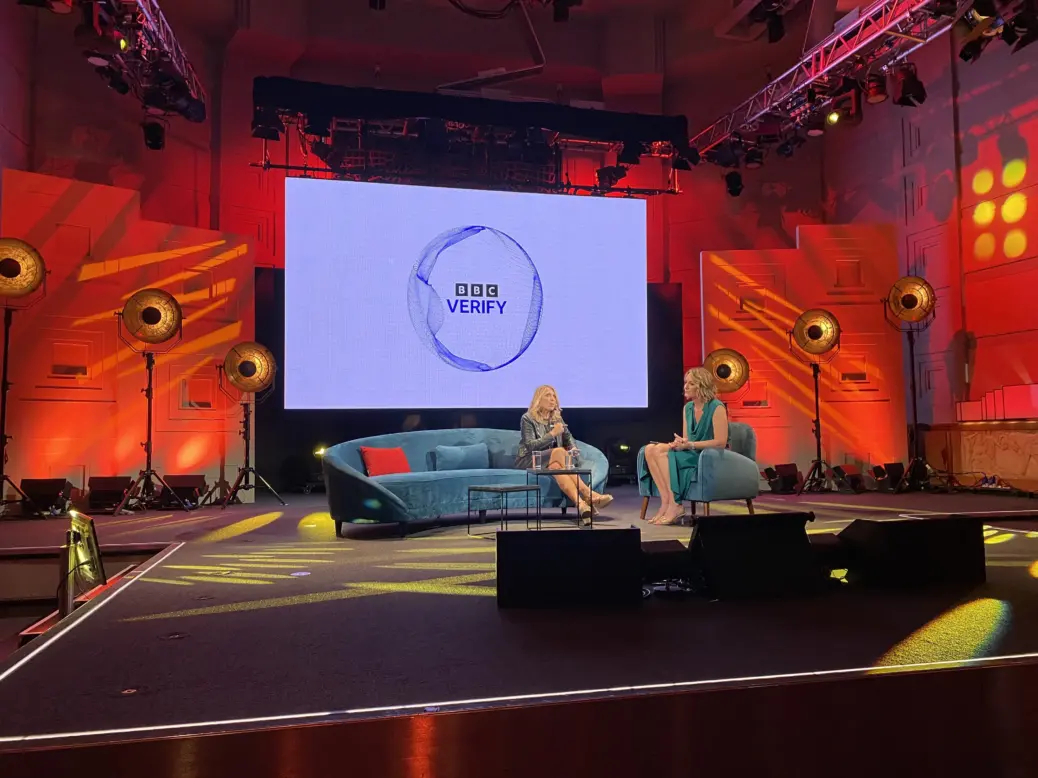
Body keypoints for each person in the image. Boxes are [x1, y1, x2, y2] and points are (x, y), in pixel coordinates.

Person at [641, 367, 729, 526]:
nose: (686, 387)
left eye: (691, 383)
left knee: (661, 453)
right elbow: (686, 438)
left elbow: (721, 442)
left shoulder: (717, 407)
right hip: (689, 450)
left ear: (702, 386)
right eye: (685, 383)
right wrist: (679, 443)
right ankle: (666, 503)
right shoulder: (687, 408)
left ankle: (675, 505)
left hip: (705, 456)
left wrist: (690, 445)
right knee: (650, 449)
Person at [517, 385, 613, 520]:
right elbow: (530, 446)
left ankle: (581, 505)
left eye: (554, 396)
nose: (552, 400)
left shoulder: (557, 419)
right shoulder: (528, 418)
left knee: (556, 466)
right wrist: (552, 434)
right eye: (548, 396)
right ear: (539, 399)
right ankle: (587, 493)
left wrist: (573, 448)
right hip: (531, 459)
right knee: (559, 452)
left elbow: (569, 438)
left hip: (554, 461)